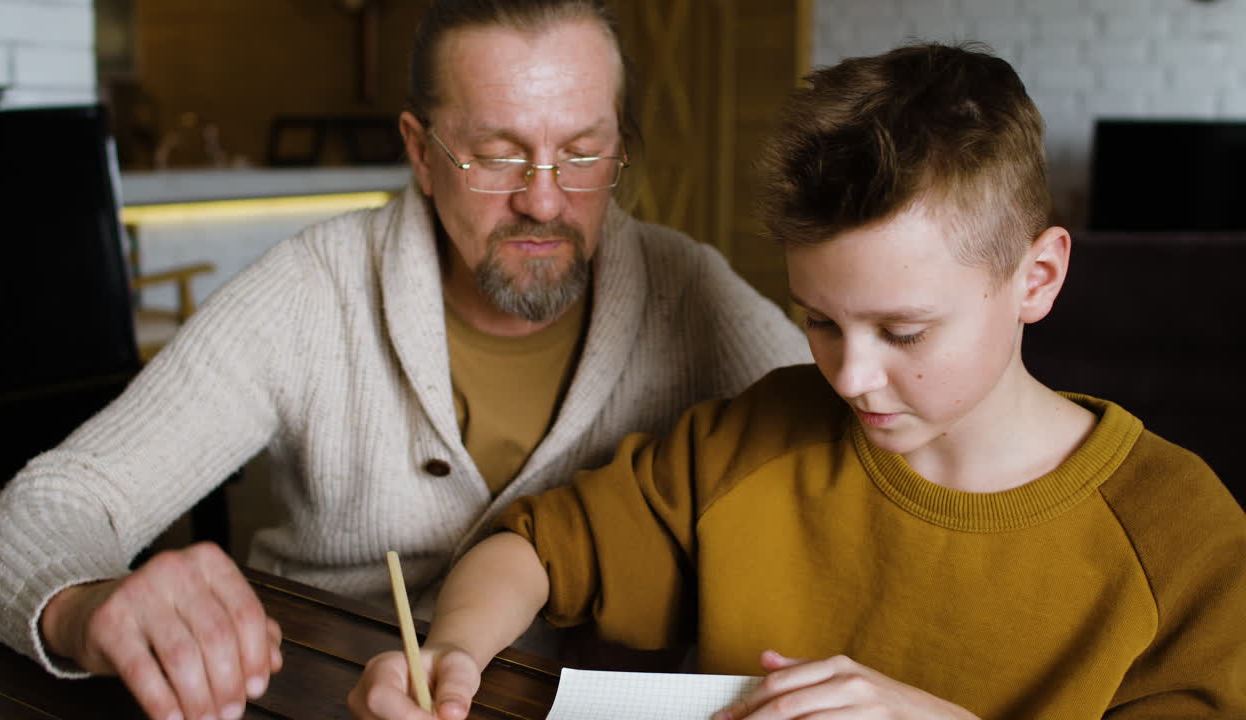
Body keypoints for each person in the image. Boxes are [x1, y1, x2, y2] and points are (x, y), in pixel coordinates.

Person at [348, 41, 1246, 720]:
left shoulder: (1182, 537)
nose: (851, 376)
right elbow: (537, 548)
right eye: (819, 320)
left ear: (1038, 280)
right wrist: (455, 651)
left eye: (903, 330)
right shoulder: (755, 440)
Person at [0, 2, 811, 720]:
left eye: (584, 151)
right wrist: (85, 606)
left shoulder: (688, 288)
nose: (545, 199)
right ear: (420, 150)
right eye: (494, 154)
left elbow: (863, 434)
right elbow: (50, 506)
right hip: (321, 693)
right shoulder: (312, 286)